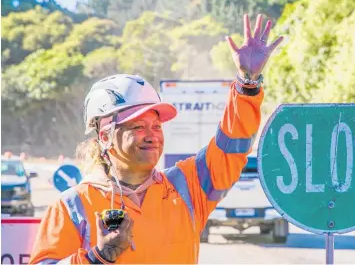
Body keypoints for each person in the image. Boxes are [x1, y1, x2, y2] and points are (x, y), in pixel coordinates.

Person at [29, 14, 284, 264]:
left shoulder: (187, 186)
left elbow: (232, 146)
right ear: (105, 135)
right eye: (138, 126)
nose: (152, 135)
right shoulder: (73, 205)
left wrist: (247, 84)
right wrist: (97, 258)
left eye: (157, 125)